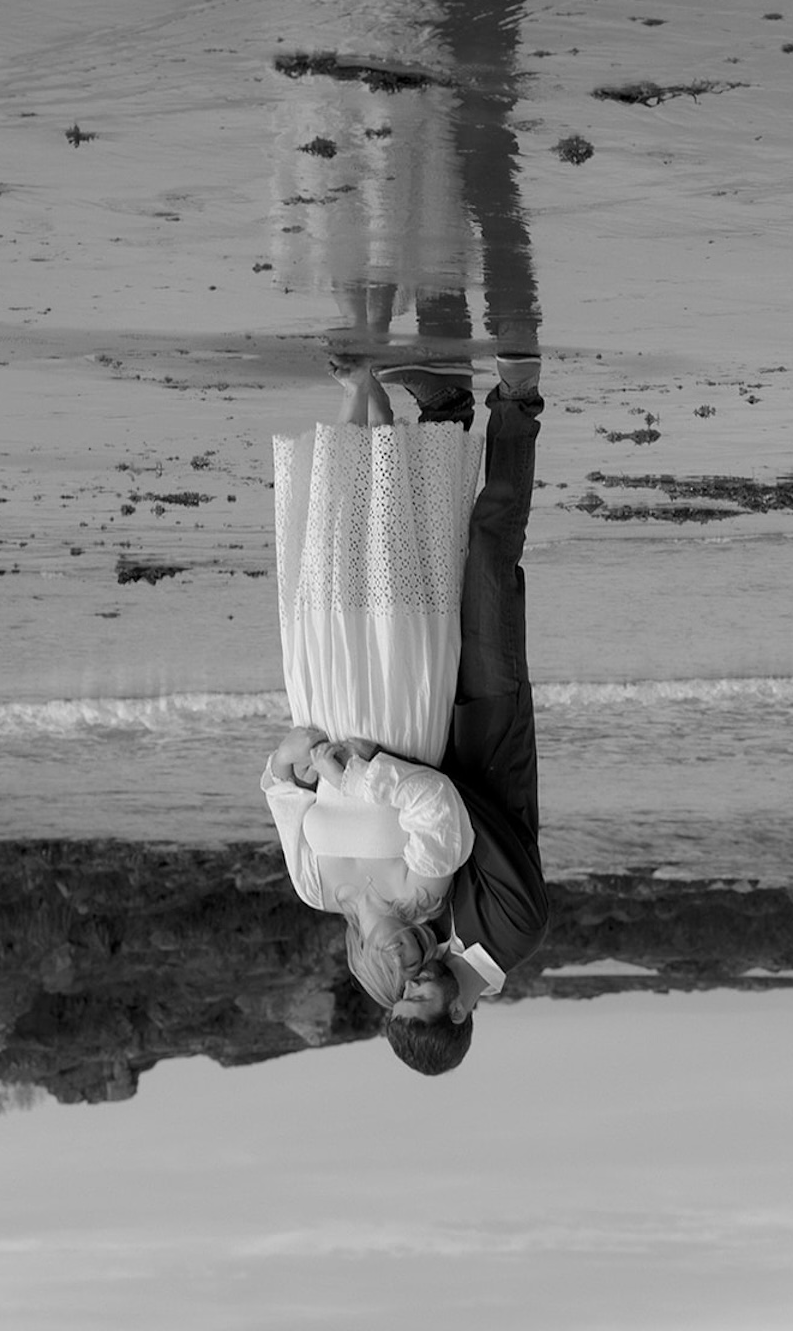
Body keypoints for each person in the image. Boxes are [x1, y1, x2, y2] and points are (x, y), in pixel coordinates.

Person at [261, 354, 485, 977]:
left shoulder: (315, 890)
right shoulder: (425, 894)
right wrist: (360, 780)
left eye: (393, 975)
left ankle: (357, 398)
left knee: (330, 560)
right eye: (418, 965)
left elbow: (284, 801)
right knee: (387, 566)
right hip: (395, 715)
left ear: (364, 965)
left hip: (325, 707)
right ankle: (378, 409)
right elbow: (437, 805)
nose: (404, 958)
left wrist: (287, 757)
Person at [357, 355, 549, 1075]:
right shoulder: (515, 932)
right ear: (461, 1011)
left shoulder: (430, 933)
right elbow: (466, 815)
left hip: (431, 725)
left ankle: (444, 416)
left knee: (427, 568)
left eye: (397, 998)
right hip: (489, 716)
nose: (408, 984)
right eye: (422, 1000)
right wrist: (383, 770)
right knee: (489, 557)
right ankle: (516, 407)